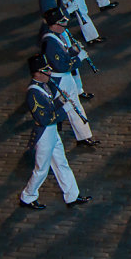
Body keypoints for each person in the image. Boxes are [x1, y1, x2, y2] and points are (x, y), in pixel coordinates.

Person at [19, 54, 91, 210]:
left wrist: (60, 101)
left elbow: (49, 106)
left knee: (61, 163)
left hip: (51, 133)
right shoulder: (33, 93)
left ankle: (72, 195)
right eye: (46, 71)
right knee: (42, 169)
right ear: (37, 73)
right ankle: (27, 196)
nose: (50, 73)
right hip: (44, 133)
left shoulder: (43, 86)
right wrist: (64, 110)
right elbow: (44, 118)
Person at [40, 8, 97, 146]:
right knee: (58, 106)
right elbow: (61, 65)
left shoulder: (57, 35)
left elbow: (64, 56)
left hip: (65, 78)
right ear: (54, 24)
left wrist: (73, 51)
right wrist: (79, 59)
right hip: (58, 79)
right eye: (61, 23)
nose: (65, 26)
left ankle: (83, 136)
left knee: (74, 104)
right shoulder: (50, 41)